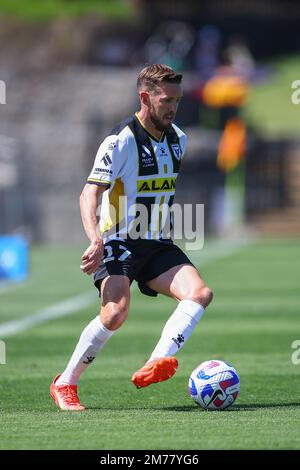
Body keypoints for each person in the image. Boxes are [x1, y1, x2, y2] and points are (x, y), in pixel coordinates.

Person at [50, 64, 213, 411]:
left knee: (199, 293)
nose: (173, 107)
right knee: (115, 312)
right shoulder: (120, 140)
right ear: (145, 97)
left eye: (177, 100)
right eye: (166, 100)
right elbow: (88, 194)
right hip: (118, 240)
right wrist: (96, 239)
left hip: (155, 242)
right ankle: (65, 383)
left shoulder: (178, 139)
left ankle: (158, 360)